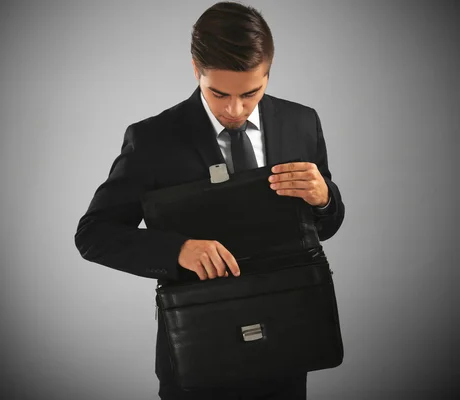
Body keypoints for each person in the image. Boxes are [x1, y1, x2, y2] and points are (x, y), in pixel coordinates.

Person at [74, 2, 345, 399]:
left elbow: (322, 227)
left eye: (251, 93)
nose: (234, 110)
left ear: (269, 71)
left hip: (288, 341)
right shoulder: (153, 139)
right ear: (195, 69)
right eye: (218, 93)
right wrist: (177, 250)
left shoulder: (301, 122)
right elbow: (94, 234)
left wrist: (324, 199)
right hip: (199, 348)